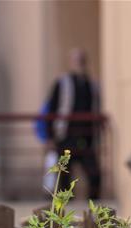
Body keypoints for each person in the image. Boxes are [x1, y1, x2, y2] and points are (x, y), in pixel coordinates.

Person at [42, 48, 102, 198]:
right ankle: (65, 213)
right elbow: (51, 110)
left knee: (94, 174)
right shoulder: (62, 83)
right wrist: (50, 136)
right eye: (76, 60)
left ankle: (92, 209)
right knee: (64, 178)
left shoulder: (92, 84)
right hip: (66, 137)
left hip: (86, 138)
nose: (79, 64)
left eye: (81, 60)